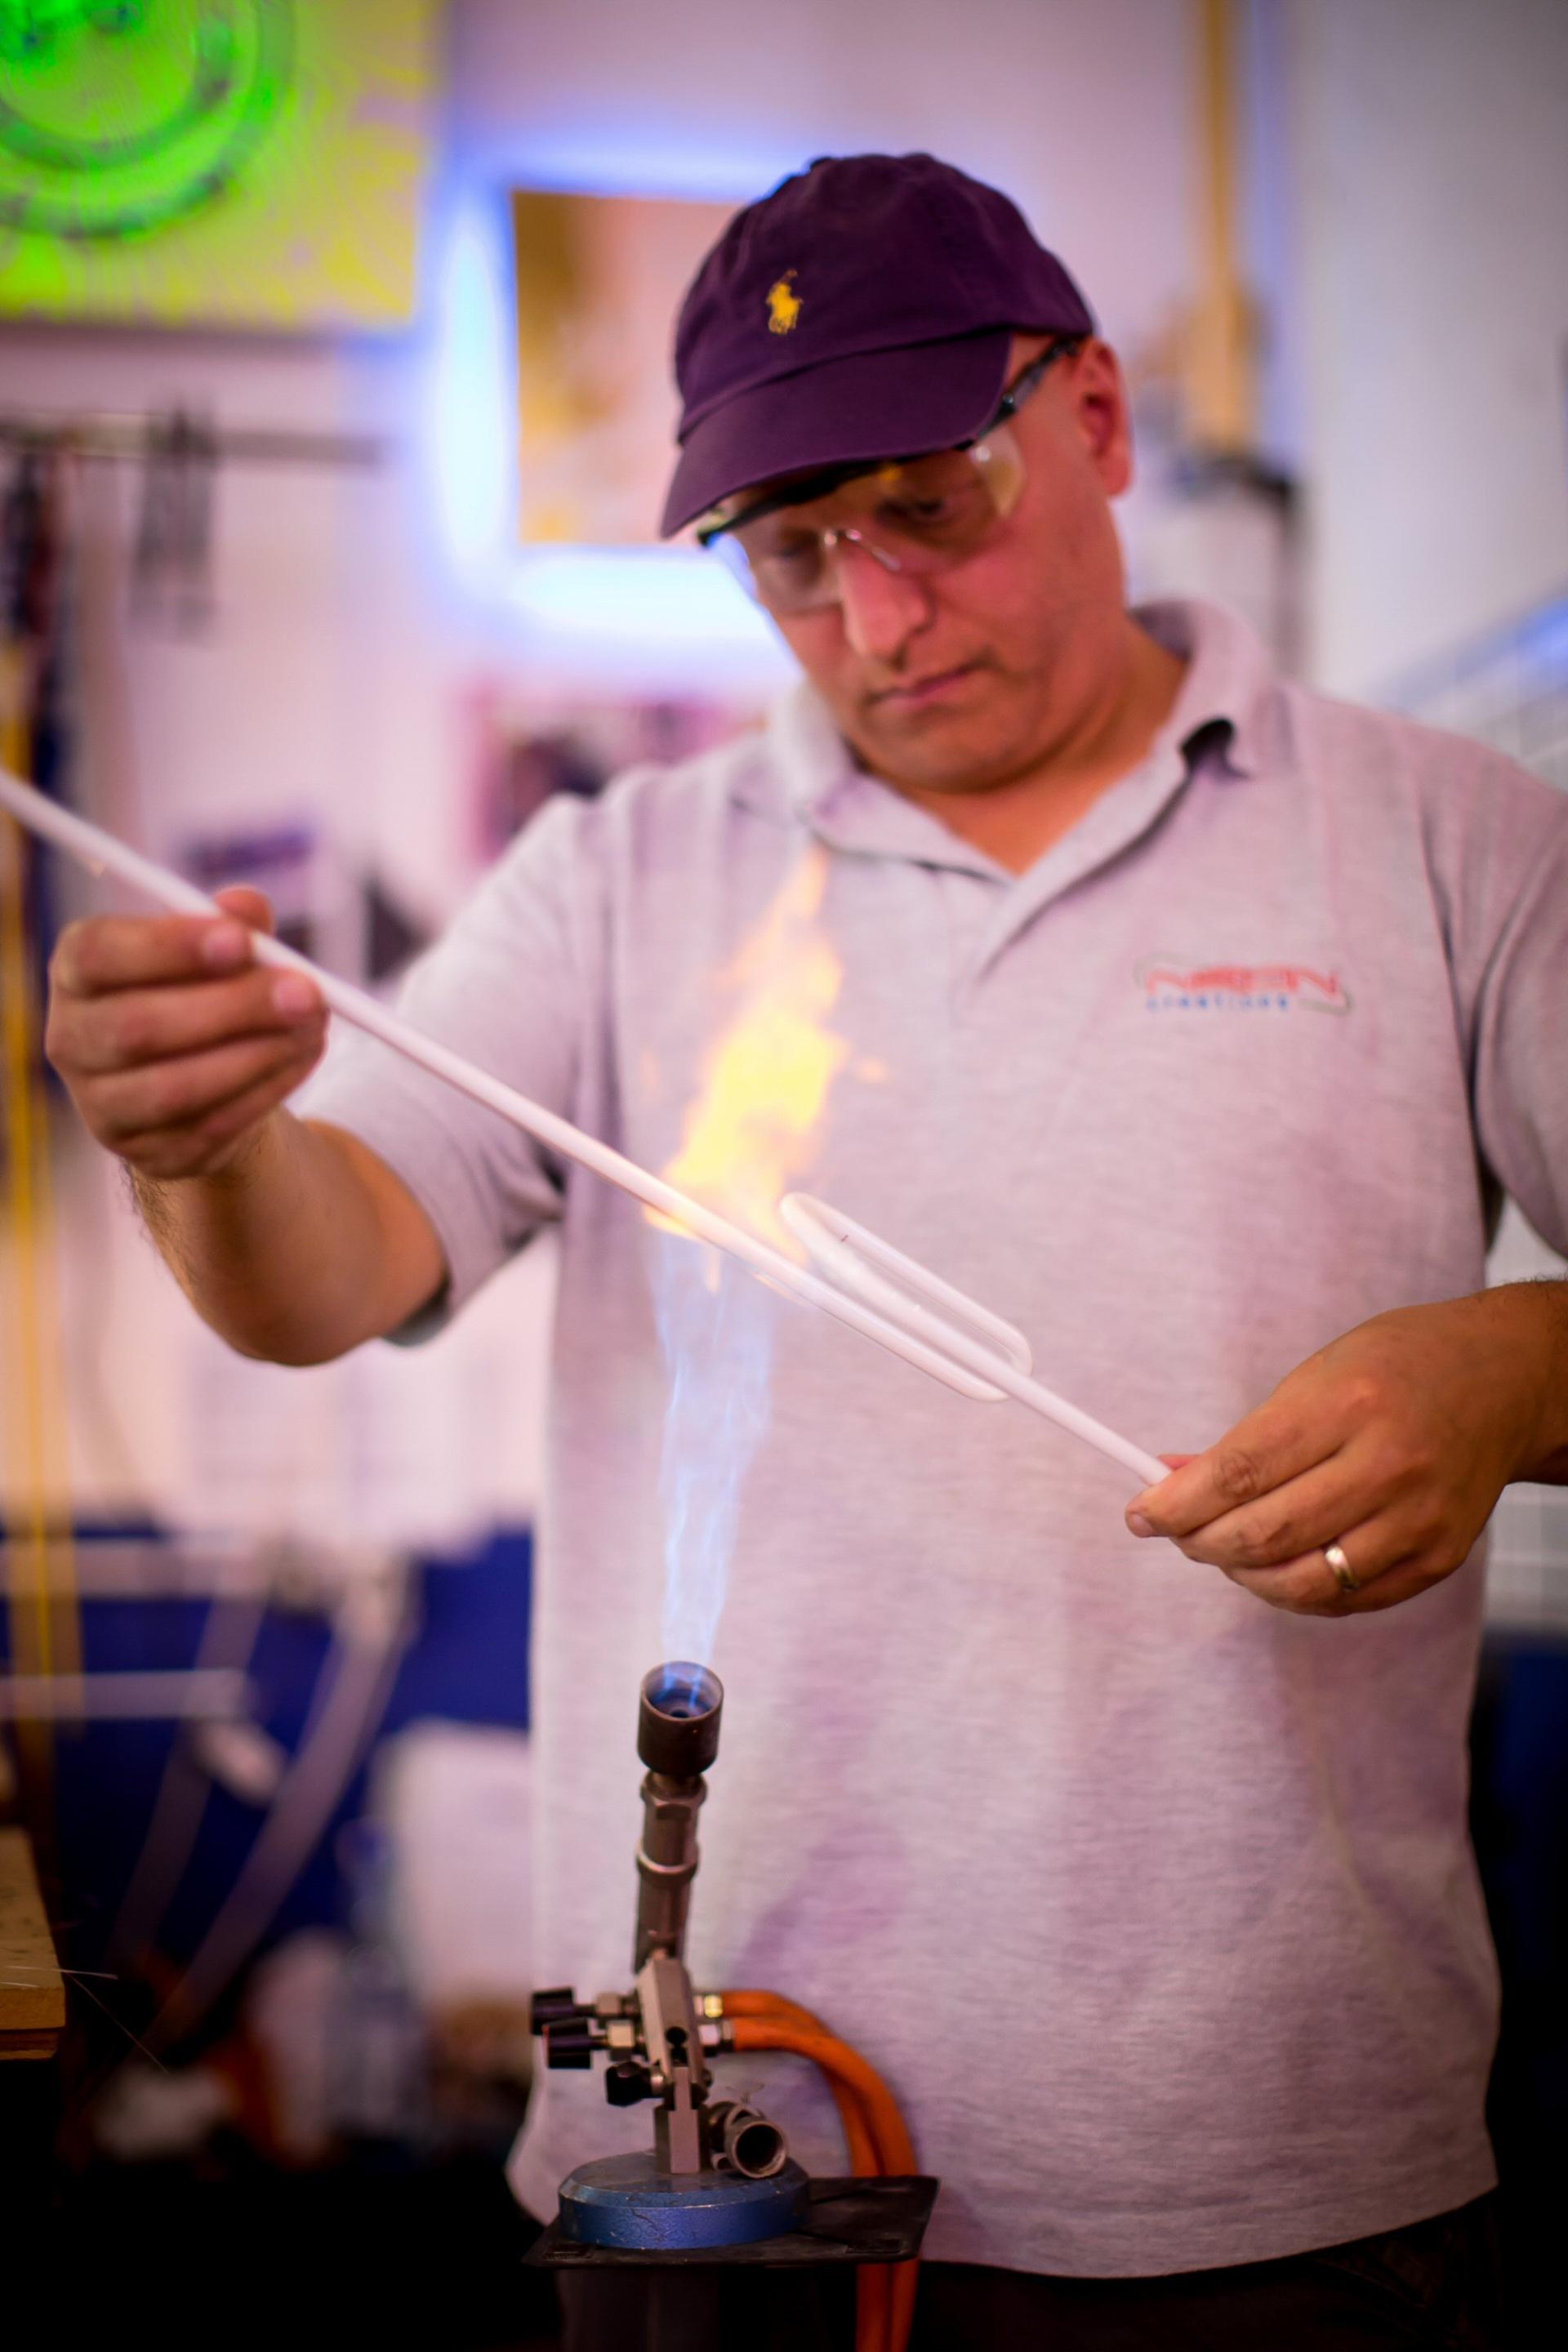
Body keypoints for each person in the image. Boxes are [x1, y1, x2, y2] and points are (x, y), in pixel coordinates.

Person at [44, 154, 1566, 2347]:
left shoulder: (1451, 845)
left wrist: (1518, 1370)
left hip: (1274, 2188)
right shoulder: (615, 879)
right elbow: (325, 1270)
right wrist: (200, 1150)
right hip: (717, 2191)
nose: (876, 622)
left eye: (926, 510)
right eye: (787, 555)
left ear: (1096, 419)